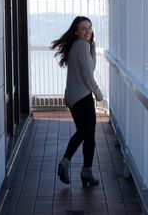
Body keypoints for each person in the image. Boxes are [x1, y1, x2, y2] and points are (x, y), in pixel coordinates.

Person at [51, 16, 103, 187]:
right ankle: (84, 170)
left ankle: (68, 164)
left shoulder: (78, 45)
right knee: (88, 135)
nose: (88, 31)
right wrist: (98, 92)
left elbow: (88, 66)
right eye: (83, 29)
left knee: (83, 132)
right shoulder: (82, 45)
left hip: (73, 96)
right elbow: (88, 74)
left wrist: (92, 47)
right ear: (76, 32)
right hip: (83, 97)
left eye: (89, 27)